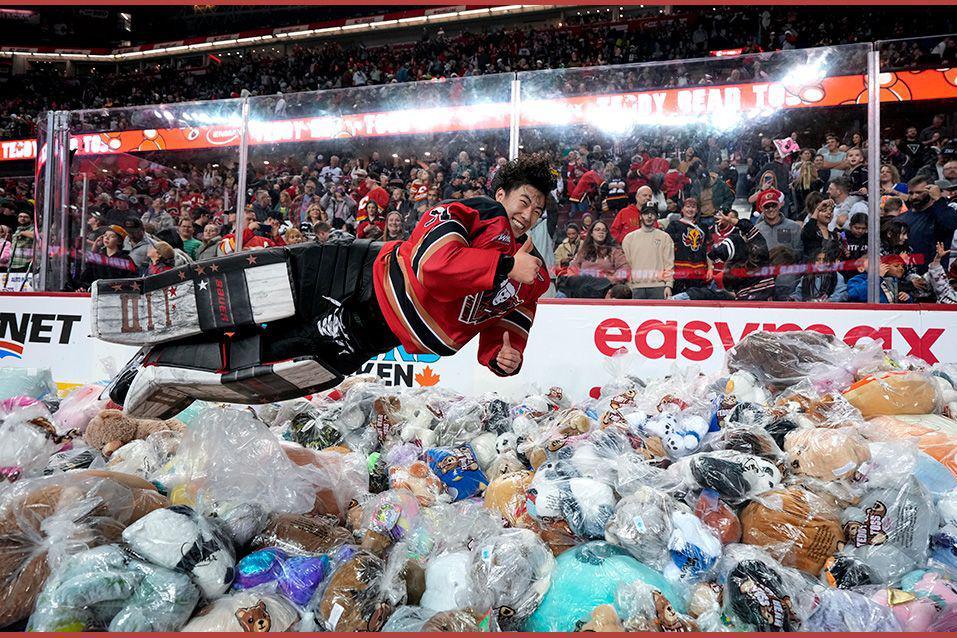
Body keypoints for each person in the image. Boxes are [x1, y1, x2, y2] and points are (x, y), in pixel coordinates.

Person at [97, 154, 556, 419]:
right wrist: (501, 266)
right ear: (502, 196)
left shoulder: (533, 273)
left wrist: (503, 355)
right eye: (524, 200)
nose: (529, 214)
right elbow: (432, 267)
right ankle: (135, 367)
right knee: (247, 298)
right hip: (352, 273)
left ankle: (156, 378)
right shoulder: (474, 212)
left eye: (538, 210)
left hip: (377, 332)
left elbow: (508, 324)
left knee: (273, 360)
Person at [899, 174, 957, 271]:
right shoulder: (902, 218)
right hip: (910, 275)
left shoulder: (944, 212)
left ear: (931, 191)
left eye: (919, 192)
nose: (914, 197)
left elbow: (949, 224)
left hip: (936, 274)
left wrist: (938, 199)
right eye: (911, 193)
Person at [621, 203, 674, 299]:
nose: (649, 216)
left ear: (656, 217)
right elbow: (626, 264)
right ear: (640, 216)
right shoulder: (629, 238)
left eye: (652, 214)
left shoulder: (665, 237)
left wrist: (668, 285)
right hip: (635, 287)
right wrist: (629, 284)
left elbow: (669, 264)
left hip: (659, 287)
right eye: (646, 213)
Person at [664, 197, 709, 294]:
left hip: (698, 271)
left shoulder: (703, 227)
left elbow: (707, 249)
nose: (690, 209)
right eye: (687, 207)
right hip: (680, 270)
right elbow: (667, 246)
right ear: (682, 209)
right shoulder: (674, 225)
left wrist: (710, 268)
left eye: (693, 207)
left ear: (697, 210)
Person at [753, 188, 803, 254]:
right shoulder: (757, 230)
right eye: (767, 206)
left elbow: (799, 250)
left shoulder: (794, 227)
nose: (771, 209)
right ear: (761, 208)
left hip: (787, 263)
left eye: (774, 205)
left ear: (779, 205)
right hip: (765, 264)